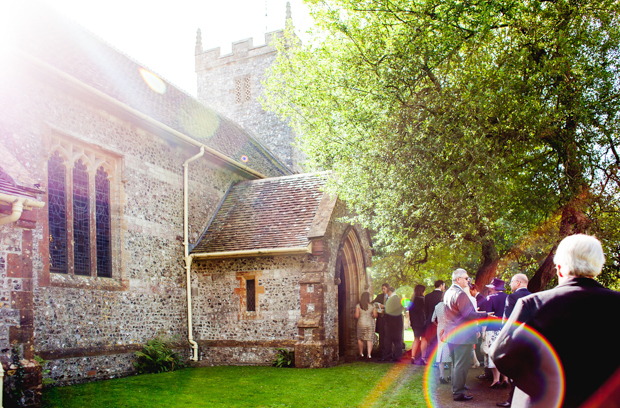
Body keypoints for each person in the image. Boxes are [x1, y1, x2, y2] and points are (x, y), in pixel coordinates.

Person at [492, 234, 620, 408]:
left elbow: (500, 353)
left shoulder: (532, 304)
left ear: (559, 268)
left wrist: (538, 385)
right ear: (598, 267)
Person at [444, 268, 492, 401]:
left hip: (452, 333)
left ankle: (457, 388)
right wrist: (485, 314)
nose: (468, 280)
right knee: (461, 364)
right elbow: (468, 315)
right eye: (466, 278)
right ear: (458, 279)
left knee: (456, 363)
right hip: (462, 335)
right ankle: (458, 393)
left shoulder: (448, 292)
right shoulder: (460, 294)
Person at [496, 273, 531, 407]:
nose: (510, 285)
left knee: (514, 372)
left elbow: (507, 321)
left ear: (518, 283)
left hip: (515, 340)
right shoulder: (534, 297)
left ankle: (512, 401)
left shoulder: (512, 297)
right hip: (530, 340)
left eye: (511, 282)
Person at [483, 278, 508, 389]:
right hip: (505, 329)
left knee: (492, 353)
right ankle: (505, 379)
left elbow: (488, 316)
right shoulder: (509, 297)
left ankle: (496, 380)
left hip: (492, 328)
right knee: (504, 353)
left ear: (493, 288)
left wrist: (483, 331)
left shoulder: (490, 298)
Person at [431, 298, 452, 384]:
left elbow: (432, 319)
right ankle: (450, 375)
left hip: (439, 329)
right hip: (448, 329)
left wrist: (438, 324)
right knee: (450, 352)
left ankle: (441, 375)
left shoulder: (437, 306)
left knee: (441, 352)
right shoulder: (449, 306)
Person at [424, 280, 445, 361]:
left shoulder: (428, 296)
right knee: (440, 338)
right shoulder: (443, 295)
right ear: (440, 285)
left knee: (431, 339)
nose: (443, 288)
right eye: (443, 286)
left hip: (430, 319)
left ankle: (430, 357)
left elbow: (425, 309)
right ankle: (439, 357)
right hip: (441, 319)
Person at [355, 291, 378, 360]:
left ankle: (361, 354)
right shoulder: (372, 306)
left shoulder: (358, 306)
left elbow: (357, 316)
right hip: (370, 323)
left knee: (360, 338)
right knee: (369, 339)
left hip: (361, 323)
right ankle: (369, 355)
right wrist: (371, 316)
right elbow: (375, 315)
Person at [383, 286, 404, 362]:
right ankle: (398, 357)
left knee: (388, 340)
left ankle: (388, 356)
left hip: (390, 322)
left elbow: (387, 311)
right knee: (398, 340)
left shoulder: (389, 300)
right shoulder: (400, 299)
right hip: (398, 322)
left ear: (389, 292)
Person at [409, 284, 427, 365]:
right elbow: (424, 312)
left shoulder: (412, 300)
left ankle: (413, 356)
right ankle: (423, 357)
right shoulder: (423, 300)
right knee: (424, 339)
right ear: (422, 291)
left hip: (414, 323)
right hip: (422, 322)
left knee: (416, 339)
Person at [372, 283, 389, 358]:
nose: (383, 290)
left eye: (384, 288)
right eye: (382, 288)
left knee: (388, 336)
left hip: (388, 320)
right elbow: (373, 303)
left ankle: (388, 353)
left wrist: (384, 307)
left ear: (388, 288)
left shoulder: (391, 296)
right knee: (381, 336)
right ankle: (381, 353)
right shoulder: (379, 296)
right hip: (381, 319)